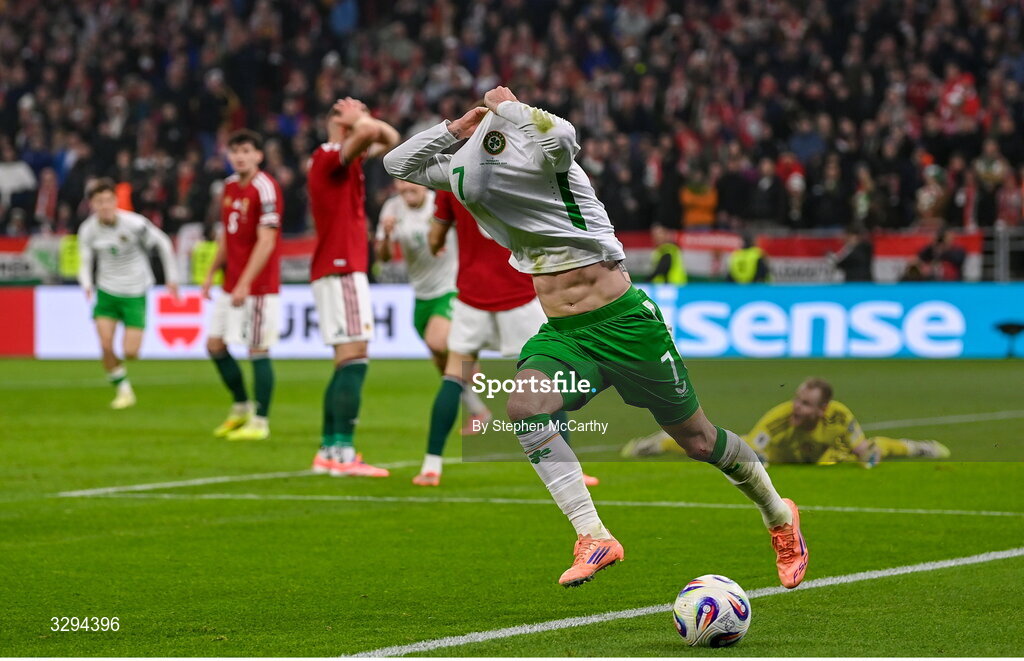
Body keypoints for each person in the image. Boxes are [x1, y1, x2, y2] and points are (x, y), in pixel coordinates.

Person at [384, 86, 808, 589]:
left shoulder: (548, 156)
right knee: (523, 407)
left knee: (698, 440)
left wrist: (509, 106)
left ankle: (779, 514)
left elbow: (562, 132)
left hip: (627, 325)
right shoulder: (463, 167)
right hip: (565, 332)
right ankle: (593, 535)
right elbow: (397, 164)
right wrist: (455, 129)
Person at [410, 189, 601, 487]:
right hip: (518, 295)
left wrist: (437, 244)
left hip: (471, 295)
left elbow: (435, 239)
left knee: (453, 375)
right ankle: (568, 468)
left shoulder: (450, 179)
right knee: (548, 377)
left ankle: (430, 466)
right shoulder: (512, 170)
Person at [307, 98, 400, 477]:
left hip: (337, 268)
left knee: (345, 359)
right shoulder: (329, 155)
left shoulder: (344, 157)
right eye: (351, 109)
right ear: (337, 122)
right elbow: (371, 132)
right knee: (356, 356)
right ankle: (343, 455)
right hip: (341, 267)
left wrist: (361, 120)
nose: (362, 112)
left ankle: (329, 450)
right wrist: (360, 120)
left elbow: (390, 138)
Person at [374, 181, 492, 437]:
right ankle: (478, 411)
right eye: (401, 188)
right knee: (440, 360)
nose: (406, 192)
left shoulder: (438, 202)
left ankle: (469, 357)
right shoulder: (392, 208)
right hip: (420, 294)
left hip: (450, 287)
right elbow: (382, 257)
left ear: (420, 183)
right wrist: (385, 236)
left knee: (438, 342)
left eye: (411, 187)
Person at [622, 378, 950, 465]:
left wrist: (870, 458)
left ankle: (917, 448)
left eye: (805, 404)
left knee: (872, 447)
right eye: (796, 399)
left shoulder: (839, 416)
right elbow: (754, 455)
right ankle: (662, 441)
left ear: (823, 409)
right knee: (716, 447)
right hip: (778, 454)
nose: (796, 407)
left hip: (820, 455)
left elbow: (863, 447)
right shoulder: (779, 420)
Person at [201, 130, 282, 441]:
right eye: (234, 151)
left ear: (258, 155)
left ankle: (260, 422)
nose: (240, 156)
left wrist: (246, 282)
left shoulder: (265, 188)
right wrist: (211, 273)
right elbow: (227, 235)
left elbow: (267, 239)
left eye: (246, 150)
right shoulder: (229, 186)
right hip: (230, 282)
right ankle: (240, 408)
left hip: (258, 286)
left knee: (258, 349)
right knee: (215, 345)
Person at [77, 178, 179, 409]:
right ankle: (123, 390)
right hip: (107, 291)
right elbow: (85, 260)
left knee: (130, 352)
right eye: (98, 201)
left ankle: (122, 377)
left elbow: (162, 243)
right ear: (92, 204)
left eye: (108, 200)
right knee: (105, 344)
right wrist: (86, 283)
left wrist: (171, 278)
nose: (104, 206)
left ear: (115, 201)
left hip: (135, 291)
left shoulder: (134, 224)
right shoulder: (88, 229)